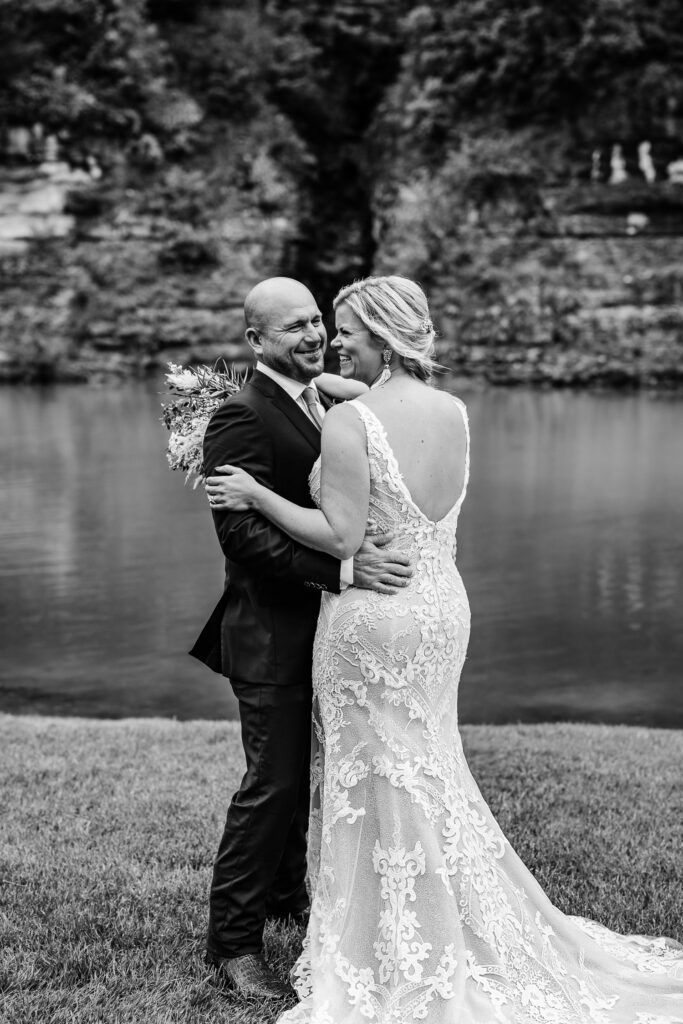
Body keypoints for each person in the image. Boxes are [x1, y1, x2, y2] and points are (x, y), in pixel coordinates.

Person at [205, 274, 683, 1022]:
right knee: (423, 765)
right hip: (437, 609)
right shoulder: (451, 411)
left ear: (377, 337)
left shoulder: (350, 418)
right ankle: (333, 921)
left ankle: (379, 925)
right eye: (306, 328)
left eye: (337, 330)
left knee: (374, 774)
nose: (328, 342)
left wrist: (261, 495)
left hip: (371, 615)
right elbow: (348, 422)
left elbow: (338, 536)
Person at [191, 277, 414, 1001]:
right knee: (274, 783)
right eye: (293, 327)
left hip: (323, 632)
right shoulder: (240, 417)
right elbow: (243, 537)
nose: (313, 334)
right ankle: (231, 948)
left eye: (316, 320)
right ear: (256, 340)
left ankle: (289, 898)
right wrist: (344, 570)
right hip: (269, 634)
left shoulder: (323, 396)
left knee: (299, 778)